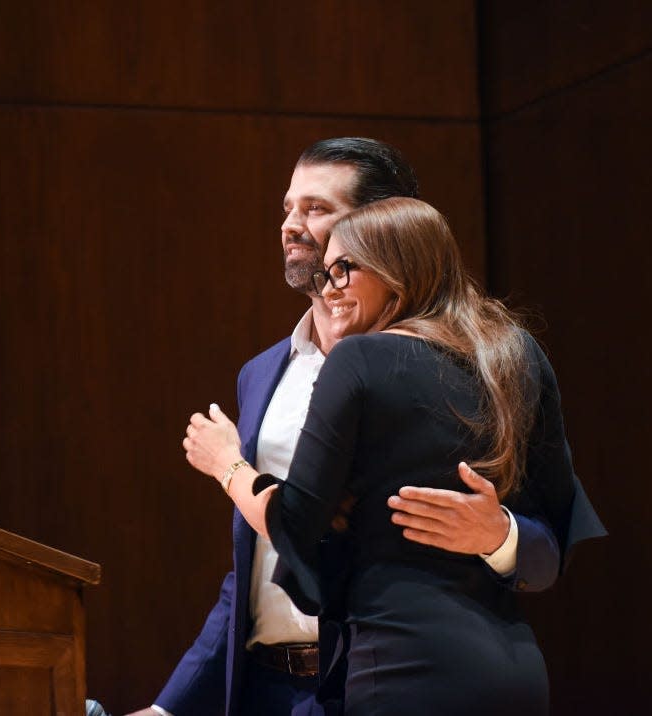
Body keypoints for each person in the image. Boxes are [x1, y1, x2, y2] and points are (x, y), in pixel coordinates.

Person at [125, 138, 599, 716]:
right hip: (272, 687)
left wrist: (499, 536)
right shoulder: (261, 374)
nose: (291, 226)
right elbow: (253, 569)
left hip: (385, 672)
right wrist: (172, 705)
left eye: (317, 209)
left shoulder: (493, 359)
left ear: (386, 223)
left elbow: (553, 534)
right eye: (287, 208)